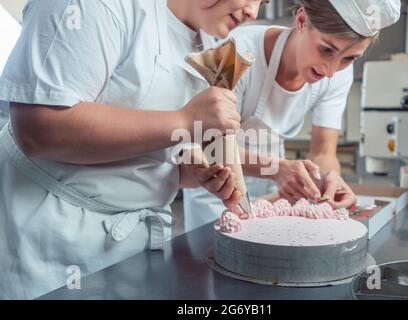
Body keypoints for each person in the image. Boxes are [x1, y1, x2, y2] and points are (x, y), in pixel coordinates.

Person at [0, 0, 265, 299]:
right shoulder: (95, 6)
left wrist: (190, 170)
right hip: (49, 239)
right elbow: (39, 129)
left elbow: (158, 148)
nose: (253, 12)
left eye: (264, 2)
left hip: (134, 250)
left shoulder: (210, 42)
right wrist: (184, 120)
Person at [183, 0, 401, 232]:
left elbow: (324, 152)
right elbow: (208, 143)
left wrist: (329, 179)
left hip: (275, 197)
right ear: (301, 20)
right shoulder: (235, 52)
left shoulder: (338, 76)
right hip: (216, 195)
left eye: (349, 59)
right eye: (326, 49)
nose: (330, 71)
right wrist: (277, 169)